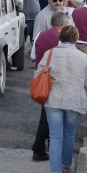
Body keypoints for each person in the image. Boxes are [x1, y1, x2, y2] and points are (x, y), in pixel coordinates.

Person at [35, 25, 87, 173]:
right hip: (74, 99)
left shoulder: (50, 54)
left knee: (55, 136)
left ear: (60, 37)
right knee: (69, 134)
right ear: (75, 38)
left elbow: (37, 75)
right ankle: (66, 167)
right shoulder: (83, 57)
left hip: (53, 99)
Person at [31, 11, 70, 162]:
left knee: (46, 114)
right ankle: (39, 148)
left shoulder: (40, 35)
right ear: (62, 25)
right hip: (55, 80)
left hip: (40, 79)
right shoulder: (62, 40)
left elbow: (33, 57)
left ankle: (44, 146)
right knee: (49, 117)